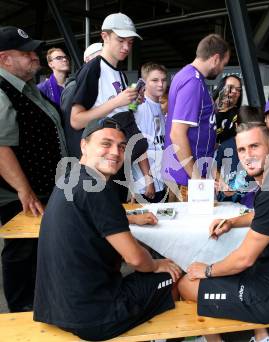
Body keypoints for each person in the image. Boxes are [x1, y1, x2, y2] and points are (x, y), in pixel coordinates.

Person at [33, 117, 181, 341]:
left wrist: (131, 218)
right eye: (106, 143)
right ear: (84, 145)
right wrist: (157, 264)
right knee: (174, 274)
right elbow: (136, 260)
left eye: (121, 147)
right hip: (95, 317)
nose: (115, 152)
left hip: (55, 308)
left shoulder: (70, 178)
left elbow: (93, 215)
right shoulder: (98, 188)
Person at [178, 122, 269, 342]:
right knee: (223, 264)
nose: (247, 155)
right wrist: (233, 222)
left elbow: (244, 260)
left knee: (186, 284)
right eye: (242, 149)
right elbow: (264, 216)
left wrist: (207, 271)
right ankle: (261, 336)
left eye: (254, 147)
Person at [0, 26, 68, 312]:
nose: (34, 57)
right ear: (4, 59)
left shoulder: (27, 88)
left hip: (43, 189)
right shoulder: (3, 91)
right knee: (22, 252)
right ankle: (21, 312)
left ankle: (41, 306)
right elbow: (1, 147)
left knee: (41, 251)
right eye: (25, 53)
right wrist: (24, 191)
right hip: (23, 196)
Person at [70, 12, 150, 202]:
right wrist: (117, 102)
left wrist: (132, 102)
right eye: (120, 40)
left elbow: (118, 109)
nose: (126, 47)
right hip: (100, 166)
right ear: (104, 36)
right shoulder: (93, 69)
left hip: (117, 163)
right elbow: (76, 120)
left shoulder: (119, 74)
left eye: (130, 42)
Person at [162, 34, 230, 201]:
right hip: (187, 179)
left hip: (189, 175)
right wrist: (197, 179)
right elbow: (177, 134)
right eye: (223, 63)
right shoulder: (192, 82)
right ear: (215, 58)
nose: (222, 69)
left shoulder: (189, 77)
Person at [132, 62, 168, 203]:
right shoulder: (140, 107)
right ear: (144, 82)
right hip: (146, 184)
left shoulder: (158, 106)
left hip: (159, 180)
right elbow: (138, 144)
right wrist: (148, 180)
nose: (160, 84)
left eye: (163, 80)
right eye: (155, 80)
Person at [216, 106, 263, 208]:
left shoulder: (264, 147)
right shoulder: (226, 146)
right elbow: (214, 167)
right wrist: (222, 182)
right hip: (227, 200)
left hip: (253, 200)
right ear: (237, 126)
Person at [212, 74, 243, 144]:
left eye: (238, 90)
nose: (235, 91)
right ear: (221, 88)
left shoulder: (240, 115)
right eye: (230, 87)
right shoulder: (206, 109)